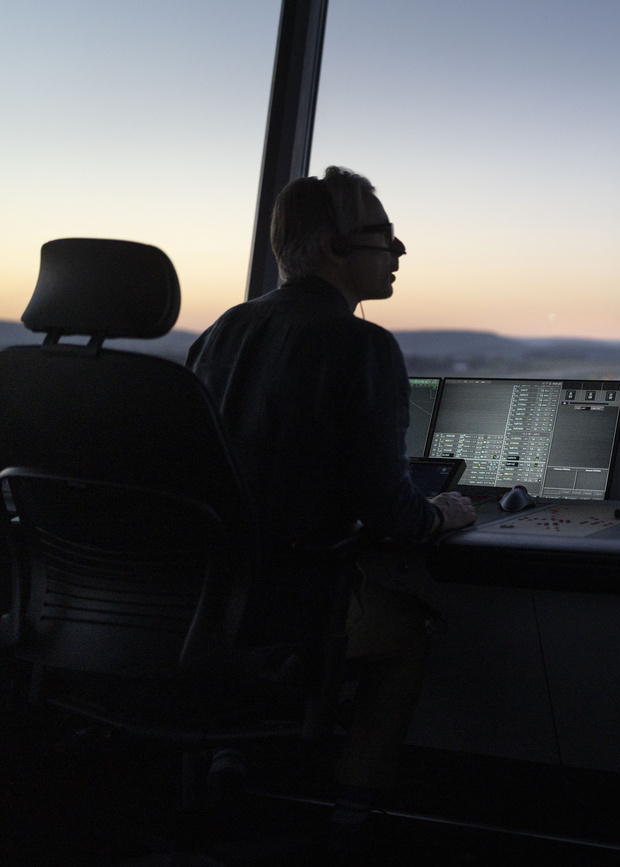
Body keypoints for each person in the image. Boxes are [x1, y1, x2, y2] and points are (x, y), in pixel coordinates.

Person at [186, 166, 475, 852]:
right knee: (410, 631)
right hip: (280, 610)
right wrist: (446, 512)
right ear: (329, 247)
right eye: (383, 235)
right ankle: (352, 819)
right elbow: (391, 514)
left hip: (195, 601)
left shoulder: (223, 331)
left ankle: (231, 762)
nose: (399, 250)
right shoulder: (362, 344)